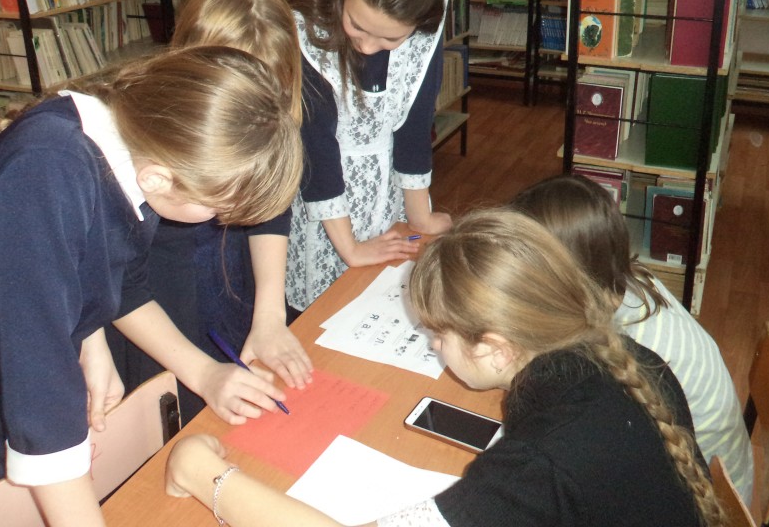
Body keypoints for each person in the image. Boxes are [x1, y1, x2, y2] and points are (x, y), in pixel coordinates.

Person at [0, 46, 302, 527]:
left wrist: (202, 373)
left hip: (6, 410)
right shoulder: (46, 172)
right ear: (159, 178)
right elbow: (41, 399)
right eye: (217, 208)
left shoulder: (128, 157)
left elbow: (118, 279)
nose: (219, 221)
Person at [164, 209, 724, 527]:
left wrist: (203, 474)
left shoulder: (541, 464)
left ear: (497, 348)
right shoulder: (633, 361)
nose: (432, 347)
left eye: (437, 335)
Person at [108, 0, 313, 424]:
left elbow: (271, 212)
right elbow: (116, 284)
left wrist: (270, 315)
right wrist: (201, 373)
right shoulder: (137, 146)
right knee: (175, 413)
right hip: (157, 303)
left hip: (229, 279)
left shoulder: (270, 118)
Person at [511, 174, 755, 506]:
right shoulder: (624, 279)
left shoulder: (631, 353)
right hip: (706, 476)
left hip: (700, 501)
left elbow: (585, 451)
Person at [286, 0, 453, 312]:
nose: (366, 47)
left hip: (385, 191)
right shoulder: (306, 31)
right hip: (324, 201)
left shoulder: (425, 26)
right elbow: (317, 151)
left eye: (389, 38)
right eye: (356, 26)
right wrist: (351, 249)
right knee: (323, 312)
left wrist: (420, 217)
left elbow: (415, 126)